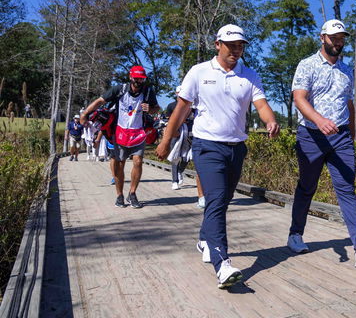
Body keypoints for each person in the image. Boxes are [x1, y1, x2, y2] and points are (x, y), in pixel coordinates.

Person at [156, 24, 280, 289]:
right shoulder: (199, 72)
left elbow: (261, 105)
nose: (236, 50)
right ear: (217, 44)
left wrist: (270, 121)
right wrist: (166, 140)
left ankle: (204, 239)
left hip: (236, 147)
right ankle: (222, 264)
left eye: (240, 46)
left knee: (222, 199)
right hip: (206, 145)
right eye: (231, 45)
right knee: (215, 199)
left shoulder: (249, 75)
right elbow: (181, 109)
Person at [287, 19, 356, 269]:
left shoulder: (346, 70)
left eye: (342, 38)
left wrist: (352, 134)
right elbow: (299, 99)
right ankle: (295, 234)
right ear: (323, 38)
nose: (338, 42)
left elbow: (349, 104)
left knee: (346, 187)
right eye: (334, 38)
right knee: (307, 186)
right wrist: (319, 121)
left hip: (340, 137)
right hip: (311, 135)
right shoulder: (307, 65)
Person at [80, 66, 160, 208]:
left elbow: (156, 108)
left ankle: (133, 193)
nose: (138, 81)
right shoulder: (119, 89)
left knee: (138, 161)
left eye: (141, 79)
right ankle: (119, 195)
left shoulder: (148, 91)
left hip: (138, 132)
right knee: (119, 163)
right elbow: (100, 101)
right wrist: (85, 113)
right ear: (130, 77)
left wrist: (151, 109)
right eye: (136, 78)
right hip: (120, 132)